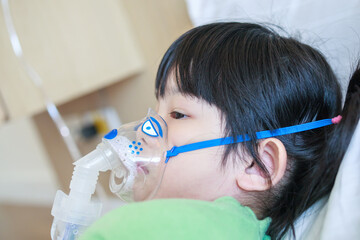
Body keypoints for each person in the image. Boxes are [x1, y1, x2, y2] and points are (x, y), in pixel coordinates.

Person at [80, 22, 360, 240]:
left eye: (178, 114)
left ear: (258, 166)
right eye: (156, 109)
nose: (143, 131)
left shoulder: (167, 226)